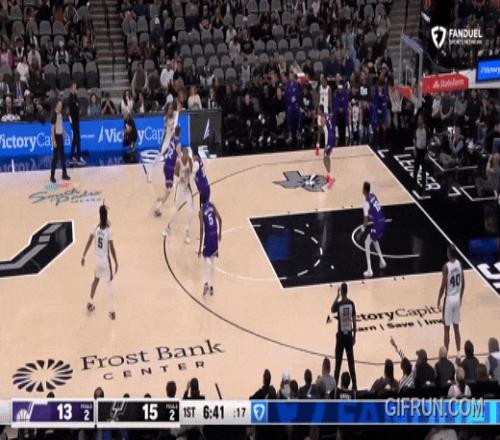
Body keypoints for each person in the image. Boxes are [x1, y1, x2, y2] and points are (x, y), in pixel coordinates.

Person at [81, 204, 119, 320]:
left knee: (96, 280)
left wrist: (83, 255)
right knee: (109, 284)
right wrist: (116, 262)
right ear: (106, 216)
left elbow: (89, 241)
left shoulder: (95, 228)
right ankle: (112, 311)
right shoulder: (109, 231)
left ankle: (90, 302)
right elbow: (112, 249)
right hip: (105, 261)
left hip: (97, 260)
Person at [437, 245, 464, 356]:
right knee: (456, 328)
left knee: (446, 329)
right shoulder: (459, 264)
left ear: (449, 254)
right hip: (457, 298)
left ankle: (445, 356)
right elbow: (463, 283)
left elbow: (443, 286)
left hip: (449, 299)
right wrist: (461, 298)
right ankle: (458, 353)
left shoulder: (446, 267)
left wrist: (438, 300)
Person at [165, 146, 194, 244]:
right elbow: (175, 175)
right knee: (175, 207)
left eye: (187, 154)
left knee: (190, 210)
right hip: (180, 187)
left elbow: (191, 172)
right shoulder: (178, 162)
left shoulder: (189, 160)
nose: (186, 155)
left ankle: (187, 231)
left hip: (187, 187)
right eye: (185, 154)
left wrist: (189, 181)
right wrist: (179, 179)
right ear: (182, 154)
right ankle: (169, 227)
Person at [331, 282, 357, 390]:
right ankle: (355, 386)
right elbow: (354, 321)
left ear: (341, 291)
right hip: (349, 336)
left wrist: (337, 297)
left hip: (341, 337)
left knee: (338, 364)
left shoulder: (339, 304)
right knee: (351, 363)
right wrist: (354, 336)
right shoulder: (351, 303)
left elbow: (332, 309)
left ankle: (334, 388)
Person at [361, 182, 386, 278]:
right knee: (373, 239)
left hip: (377, 225)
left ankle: (369, 270)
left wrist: (361, 231)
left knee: (367, 242)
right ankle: (382, 261)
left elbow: (365, 221)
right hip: (382, 222)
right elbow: (377, 209)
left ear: (363, 190)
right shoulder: (373, 196)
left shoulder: (366, 204)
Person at [154, 126, 181, 217]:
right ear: (180, 133)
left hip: (165, 165)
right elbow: (179, 160)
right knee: (169, 191)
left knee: (167, 188)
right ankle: (157, 208)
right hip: (170, 168)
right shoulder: (178, 144)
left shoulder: (171, 139)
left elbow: (171, 133)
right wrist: (179, 170)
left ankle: (161, 198)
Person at [198, 194, 221, 296]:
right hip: (214, 235)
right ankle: (211, 286)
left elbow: (201, 229)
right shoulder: (212, 205)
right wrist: (219, 234)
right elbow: (220, 219)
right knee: (212, 261)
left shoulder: (201, 211)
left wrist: (200, 248)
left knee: (205, 262)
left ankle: (206, 284)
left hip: (208, 237)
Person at [50, 99, 70, 183]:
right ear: (56, 105)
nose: (60, 106)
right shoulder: (54, 115)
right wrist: (54, 140)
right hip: (56, 137)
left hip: (60, 136)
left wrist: (64, 133)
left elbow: (61, 125)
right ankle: (52, 176)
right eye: (59, 105)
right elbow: (52, 129)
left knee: (62, 156)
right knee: (55, 157)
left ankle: (64, 174)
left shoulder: (60, 114)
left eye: (61, 105)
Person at [315, 105, 335, 189]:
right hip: (332, 136)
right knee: (327, 157)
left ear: (321, 110)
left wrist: (318, 125)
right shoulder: (326, 115)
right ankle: (328, 174)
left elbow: (322, 131)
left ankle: (331, 178)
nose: (317, 111)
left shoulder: (322, 118)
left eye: (318, 110)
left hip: (329, 139)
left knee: (325, 159)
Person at [69, 81, 85, 166]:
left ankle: (72, 156)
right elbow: (73, 110)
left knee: (76, 139)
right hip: (73, 121)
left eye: (76, 87)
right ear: (71, 88)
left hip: (77, 120)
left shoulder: (75, 96)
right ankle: (78, 157)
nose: (76, 89)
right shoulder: (70, 97)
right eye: (74, 87)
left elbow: (77, 106)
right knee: (77, 138)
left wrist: (78, 110)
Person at [413, 115, 428, 195]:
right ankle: (414, 182)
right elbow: (414, 139)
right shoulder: (416, 129)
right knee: (416, 168)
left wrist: (427, 153)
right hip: (418, 150)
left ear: (422, 120)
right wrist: (415, 149)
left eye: (419, 119)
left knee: (423, 170)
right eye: (418, 119)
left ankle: (424, 186)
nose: (418, 121)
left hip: (424, 151)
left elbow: (429, 141)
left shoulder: (426, 130)